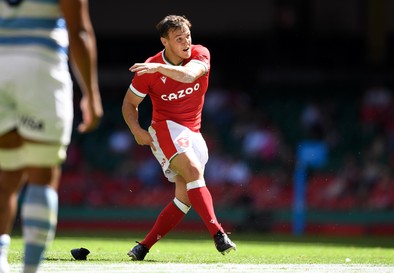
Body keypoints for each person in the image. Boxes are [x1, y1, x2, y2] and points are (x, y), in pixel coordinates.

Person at [122, 15, 236, 261]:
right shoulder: (149, 69)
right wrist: (136, 130)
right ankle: (218, 233)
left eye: (187, 36)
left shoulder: (199, 53)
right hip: (165, 128)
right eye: (178, 39)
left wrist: (158, 68)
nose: (186, 42)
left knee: (184, 198)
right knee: (194, 171)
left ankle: (143, 247)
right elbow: (129, 104)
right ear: (165, 42)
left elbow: (188, 75)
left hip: (193, 132)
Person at [0, 0, 103, 272]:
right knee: (42, 175)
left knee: (6, 171)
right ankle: (30, 268)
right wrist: (91, 95)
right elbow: (79, 30)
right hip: (40, 66)